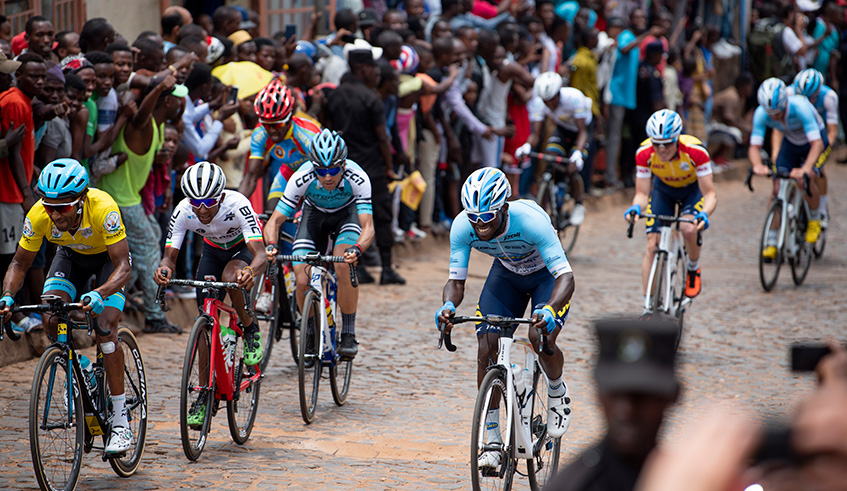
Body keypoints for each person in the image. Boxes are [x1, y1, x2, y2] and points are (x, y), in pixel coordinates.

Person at [436, 168, 575, 471]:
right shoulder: (462, 227)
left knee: (539, 338)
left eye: (487, 217)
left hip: (545, 278)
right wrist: (447, 304)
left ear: (503, 208)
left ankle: (556, 388)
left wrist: (550, 309)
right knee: (487, 344)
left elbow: (566, 277)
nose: (480, 225)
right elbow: (456, 281)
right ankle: (492, 439)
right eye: (474, 217)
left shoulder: (531, 221)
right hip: (507, 276)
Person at [0, 159, 134, 453]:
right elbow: (20, 263)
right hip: (70, 257)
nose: (55, 214)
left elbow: (123, 267)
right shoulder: (39, 214)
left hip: (107, 262)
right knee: (51, 315)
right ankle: (81, 367)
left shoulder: (103, 208)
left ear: (82, 199)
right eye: (50, 206)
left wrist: (100, 292)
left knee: (105, 328)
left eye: (63, 207)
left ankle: (122, 422)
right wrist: (8, 295)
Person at [264, 129, 375, 360]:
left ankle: (347, 332)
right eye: (321, 171)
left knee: (344, 264)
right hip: (313, 216)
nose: (327, 177)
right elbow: (274, 221)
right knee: (301, 276)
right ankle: (312, 330)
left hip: (348, 215)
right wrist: (272, 245)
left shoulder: (359, 177)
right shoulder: (301, 177)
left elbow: (368, 227)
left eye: (333, 170)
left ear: (343, 165)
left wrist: (358, 249)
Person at [155, 161, 267, 375]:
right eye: (196, 202)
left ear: (221, 197)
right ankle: (203, 392)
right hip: (213, 252)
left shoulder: (237, 204)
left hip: (240, 249)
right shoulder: (183, 210)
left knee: (232, 275)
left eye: (209, 201)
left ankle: (250, 329)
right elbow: (169, 258)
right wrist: (164, 270)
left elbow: (260, 254)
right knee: (204, 320)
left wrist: (250, 271)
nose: (202, 209)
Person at [546, 318, 681, 491]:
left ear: (672, 395)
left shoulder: (697, 481)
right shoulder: (570, 485)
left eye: (641, 396)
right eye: (616, 395)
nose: (628, 410)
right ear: (599, 395)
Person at [325, 45, 405, 285]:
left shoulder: (335, 95)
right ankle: (387, 268)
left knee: (346, 217)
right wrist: (389, 167)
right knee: (380, 216)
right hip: (371, 168)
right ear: (363, 69)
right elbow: (383, 137)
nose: (375, 73)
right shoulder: (372, 98)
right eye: (372, 69)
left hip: (342, 168)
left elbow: (328, 129)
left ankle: (356, 268)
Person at [624, 110, 715, 303]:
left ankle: (692, 267)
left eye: (667, 144)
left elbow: (710, 194)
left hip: (692, 190)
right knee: (652, 246)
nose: (662, 149)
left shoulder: (695, 151)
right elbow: (641, 194)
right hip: (663, 190)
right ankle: (648, 306)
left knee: (688, 228)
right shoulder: (644, 153)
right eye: (657, 144)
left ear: (677, 139)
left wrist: (704, 213)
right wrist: (635, 208)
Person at [749, 78, 829, 258]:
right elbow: (754, 146)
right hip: (791, 143)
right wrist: (757, 165)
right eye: (770, 113)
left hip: (813, 142)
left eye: (778, 112)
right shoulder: (761, 113)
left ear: (785, 103)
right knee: (777, 188)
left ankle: (815, 219)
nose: (774, 117)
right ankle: (771, 238)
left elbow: (817, 144)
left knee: (804, 180)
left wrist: (806, 169)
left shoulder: (800, 107)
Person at [516, 72, 590, 226]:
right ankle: (552, 194)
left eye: (552, 100)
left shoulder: (574, 98)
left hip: (582, 131)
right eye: (545, 101)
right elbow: (535, 134)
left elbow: (582, 131)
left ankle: (578, 204)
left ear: (559, 93)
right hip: (563, 129)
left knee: (571, 167)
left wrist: (577, 153)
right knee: (550, 157)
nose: (549, 104)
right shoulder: (539, 103)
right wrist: (527, 146)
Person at [238, 79, 320, 209]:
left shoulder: (307, 135)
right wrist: (235, 206)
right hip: (288, 172)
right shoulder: (260, 134)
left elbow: (325, 175)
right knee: (272, 214)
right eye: (266, 124)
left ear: (289, 118)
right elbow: (251, 176)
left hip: (317, 175)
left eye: (276, 124)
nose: (271, 130)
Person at [791, 68, 838, 235]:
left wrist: (824, 151)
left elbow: (833, 131)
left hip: (820, 135)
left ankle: (822, 211)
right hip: (799, 134)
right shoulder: (790, 93)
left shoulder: (829, 97)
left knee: (816, 171)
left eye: (811, 98)